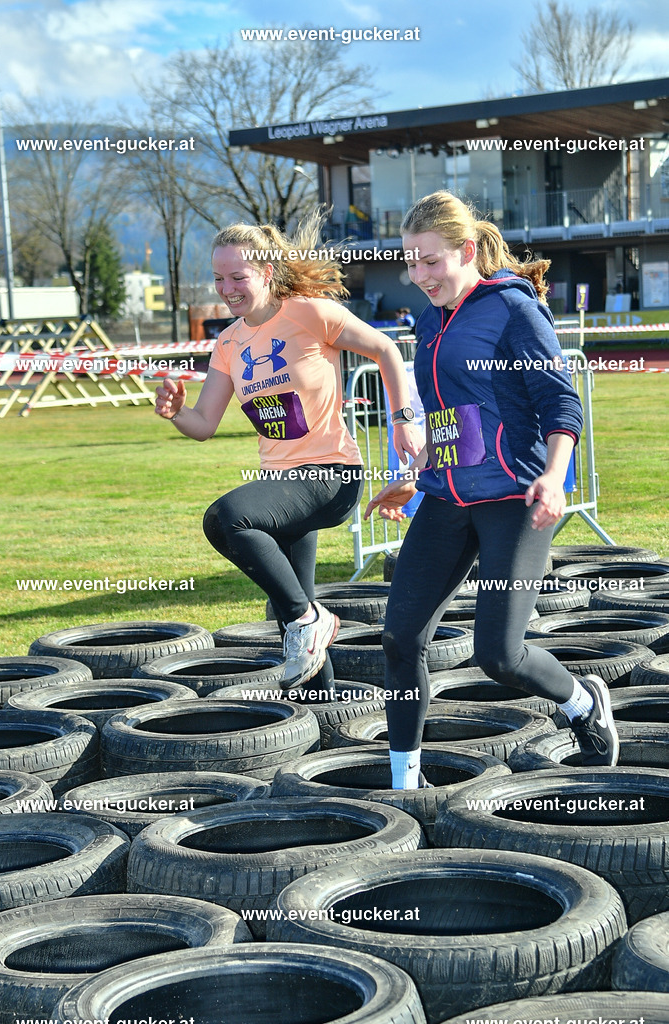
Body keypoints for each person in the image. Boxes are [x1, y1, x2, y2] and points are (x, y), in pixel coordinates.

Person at [365, 190, 619, 789]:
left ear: (467, 251)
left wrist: (554, 479)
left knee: (499, 656)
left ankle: (584, 704)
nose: (418, 274)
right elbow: (457, 417)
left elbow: (561, 404)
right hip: (449, 499)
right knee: (401, 637)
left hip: (516, 499)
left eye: (430, 261)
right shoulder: (429, 321)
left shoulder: (512, 310)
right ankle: (405, 783)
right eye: (410, 261)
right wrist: (414, 475)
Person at [155, 210, 422, 690]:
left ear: (267, 273)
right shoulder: (228, 343)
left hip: (330, 475)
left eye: (238, 276)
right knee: (289, 617)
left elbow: (386, 350)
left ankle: (309, 620)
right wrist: (175, 411)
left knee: (227, 519)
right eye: (218, 278)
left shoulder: (308, 312)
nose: (226, 288)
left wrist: (403, 420)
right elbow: (203, 425)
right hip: (281, 486)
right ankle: (327, 718)